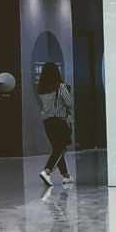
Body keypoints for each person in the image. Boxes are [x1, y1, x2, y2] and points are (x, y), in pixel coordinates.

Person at [35, 60, 73, 188]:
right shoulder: (61, 87)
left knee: (57, 148)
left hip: (47, 122)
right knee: (61, 147)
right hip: (60, 121)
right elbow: (69, 103)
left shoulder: (41, 89)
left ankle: (66, 175)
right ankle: (47, 171)